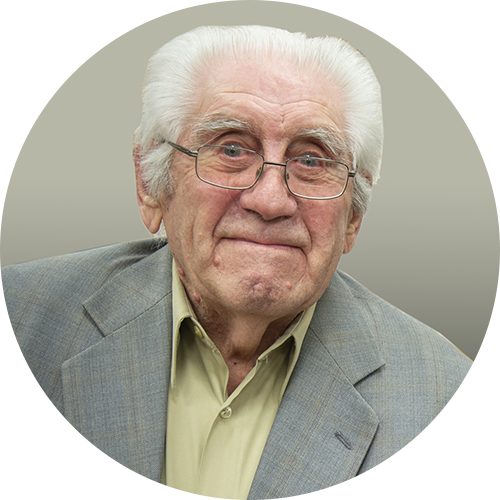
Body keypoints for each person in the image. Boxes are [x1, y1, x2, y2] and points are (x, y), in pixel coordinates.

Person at [0, 25, 495, 500]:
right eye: (232, 149)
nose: (270, 200)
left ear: (354, 215)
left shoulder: (451, 410)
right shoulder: (13, 328)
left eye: (312, 160)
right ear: (151, 185)